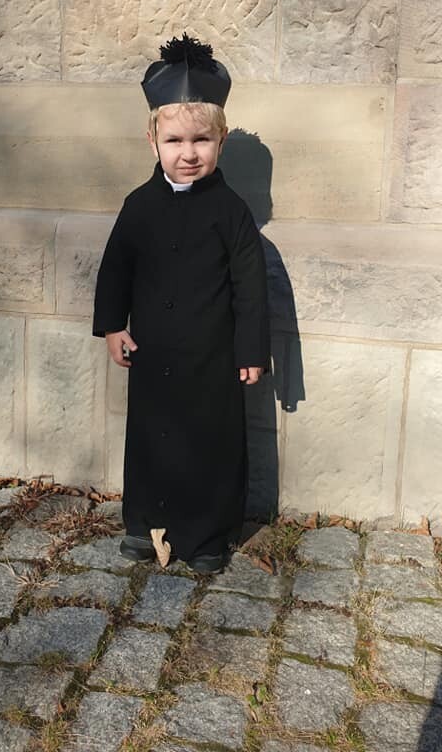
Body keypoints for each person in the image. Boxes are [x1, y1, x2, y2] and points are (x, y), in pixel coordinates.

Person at [92, 33, 270, 574]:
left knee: (210, 443)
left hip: (213, 357)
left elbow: (250, 286)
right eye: (174, 140)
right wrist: (112, 327)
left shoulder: (232, 212)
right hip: (153, 353)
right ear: (153, 142)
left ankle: (208, 534)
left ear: (220, 142)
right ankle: (143, 522)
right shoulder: (138, 206)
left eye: (201, 141)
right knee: (151, 438)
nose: (188, 153)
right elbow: (116, 268)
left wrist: (251, 351)